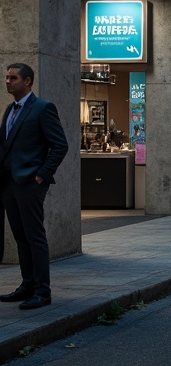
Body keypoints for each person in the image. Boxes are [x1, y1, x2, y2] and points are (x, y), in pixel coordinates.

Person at [0, 63, 69, 309]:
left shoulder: (42, 108)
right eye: (7, 77)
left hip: (30, 183)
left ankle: (42, 291)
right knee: (20, 237)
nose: (8, 81)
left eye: (13, 77)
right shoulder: (10, 109)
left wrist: (41, 175)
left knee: (34, 237)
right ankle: (27, 285)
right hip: (9, 183)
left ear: (27, 81)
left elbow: (60, 145)